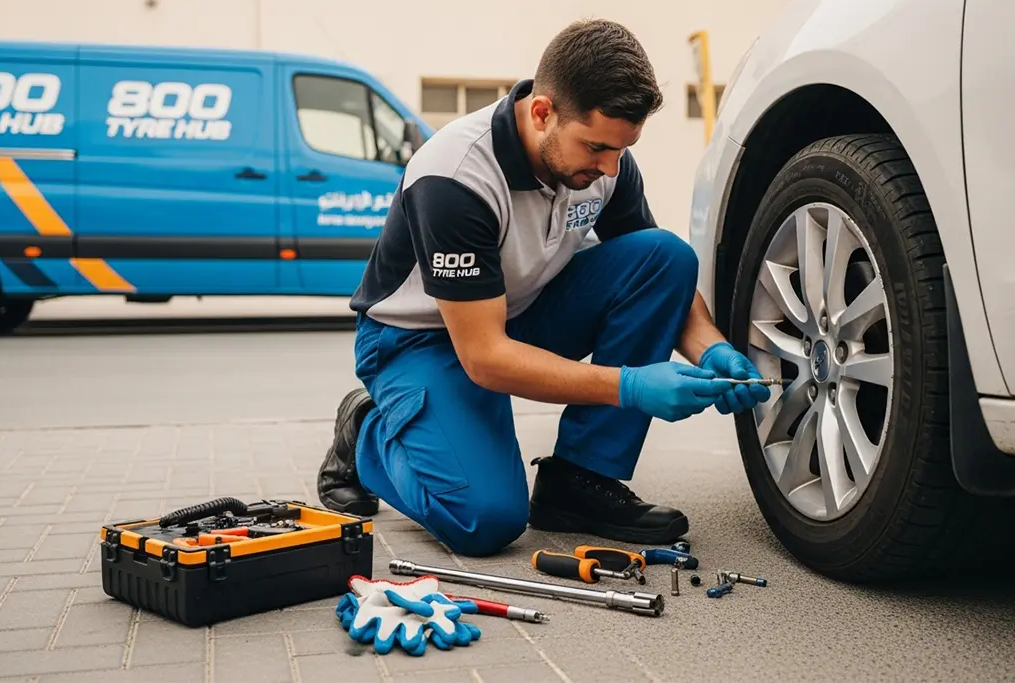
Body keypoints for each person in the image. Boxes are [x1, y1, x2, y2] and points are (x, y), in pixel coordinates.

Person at [316, 18, 771, 557]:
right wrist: (630, 386)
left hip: (518, 312)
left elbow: (660, 276)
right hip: (421, 341)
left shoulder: (607, 162)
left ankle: (579, 483)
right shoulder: (456, 177)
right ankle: (368, 428)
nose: (610, 166)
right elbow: (485, 358)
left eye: (622, 149)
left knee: (666, 254)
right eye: (597, 147)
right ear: (541, 112)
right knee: (484, 520)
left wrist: (712, 349)